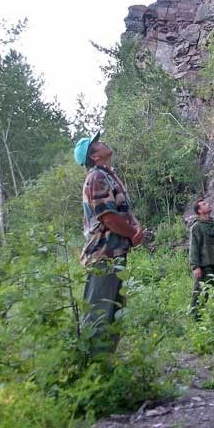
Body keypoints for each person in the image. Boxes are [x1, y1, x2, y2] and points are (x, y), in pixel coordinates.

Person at [74, 132, 143, 351]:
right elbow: (108, 216)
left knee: (112, 312)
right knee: (99, 314)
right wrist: (133, 233)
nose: (103, 142)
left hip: (114, 254)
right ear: (94, 156)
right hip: (103, 256)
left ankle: (106, 366)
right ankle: (93, 368)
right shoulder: (97, 178)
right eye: (98, 143)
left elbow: (122, 211)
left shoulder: (108, 175)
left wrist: (136, 226)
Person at [189, 198, 214, 318]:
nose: (208, 204)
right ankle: (195, 317)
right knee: (200, 293)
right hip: (204, 266)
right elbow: (194, 248)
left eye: (207, 203)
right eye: (204, 204)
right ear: (199, 211)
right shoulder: (196, 227)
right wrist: (196, 266)